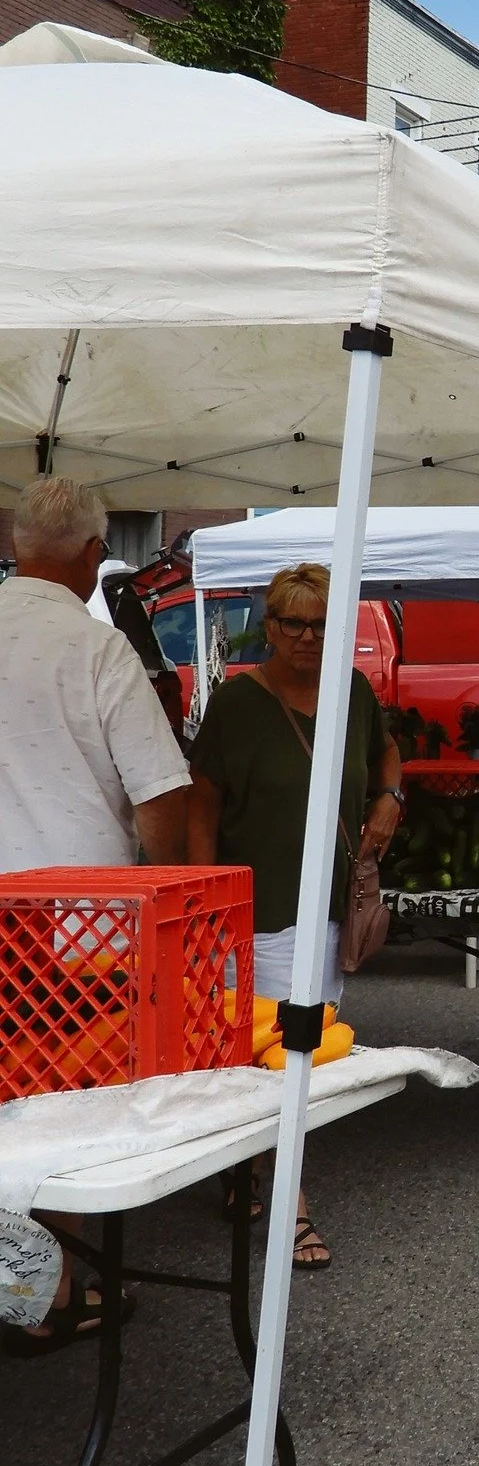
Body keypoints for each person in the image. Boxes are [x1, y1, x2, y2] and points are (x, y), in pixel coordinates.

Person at [0, 477, 190, 1356]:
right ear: (88, 554)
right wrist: (175, 891)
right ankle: (51, 1294)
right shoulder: (97, 652)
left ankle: (18, 1283)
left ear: (13, 540)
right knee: (62, 1101)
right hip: (77, 925)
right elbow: (160, 796)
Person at [188, 563, 402, 1271]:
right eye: (292, 623)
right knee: (287, 1054)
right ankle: (291, 1202)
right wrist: (202, 899)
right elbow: (204, 804)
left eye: (321, 624)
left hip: (328, 906)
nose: (307, 637)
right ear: (270, 625)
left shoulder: (353, 692)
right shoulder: (237, 702)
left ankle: (250, 1174)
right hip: (257, 906)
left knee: (292, 1051)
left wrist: (388, 800)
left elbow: (385, 755)